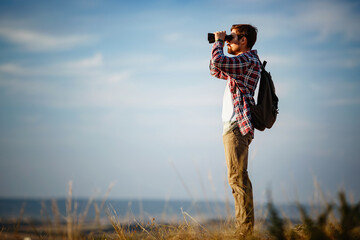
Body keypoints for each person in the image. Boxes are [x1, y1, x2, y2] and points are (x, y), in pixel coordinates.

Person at [209, 24, 261, 236]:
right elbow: (215, 70)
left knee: (238, 179)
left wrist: (219, 43)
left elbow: (218, 60)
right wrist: (219, 44)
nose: (229, 41)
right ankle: (245, 230)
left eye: (233, 37)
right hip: (234, 127)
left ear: (244, 41)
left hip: (237, 127)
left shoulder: (247, 59)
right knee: (238, 178)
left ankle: (244, 232)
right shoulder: (240, 64)